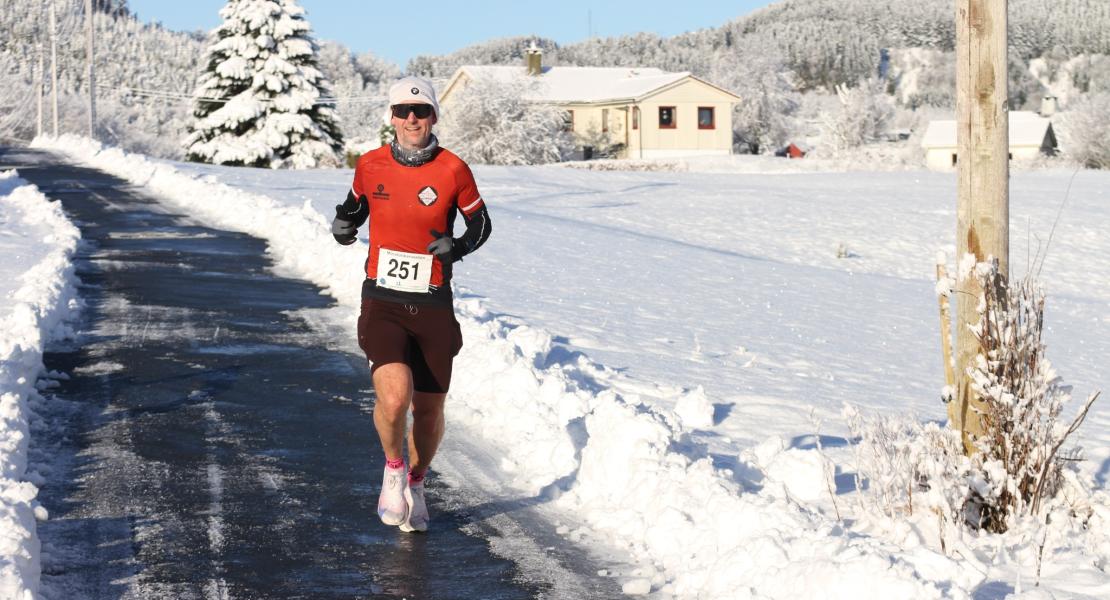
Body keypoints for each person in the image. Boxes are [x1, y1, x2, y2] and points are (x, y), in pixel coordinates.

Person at [331, 76, 492, 532]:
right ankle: (394, 469)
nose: (411, 119)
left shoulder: (454, 170)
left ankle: (417, 484)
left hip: (434, 301)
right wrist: (344, 225)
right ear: (392, 117)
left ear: (434, 117)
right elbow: (355, 207)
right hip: (382, 297)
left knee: (429, 409)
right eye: (402, 111)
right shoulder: (370, 165)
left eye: (420, 111)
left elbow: (481, 225)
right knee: (395, 394)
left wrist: (455, 248)